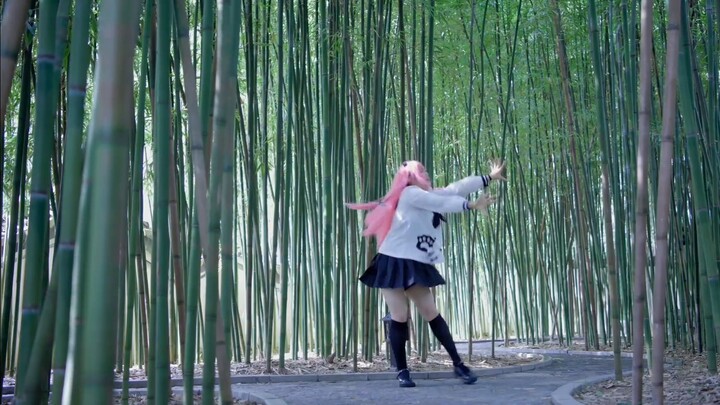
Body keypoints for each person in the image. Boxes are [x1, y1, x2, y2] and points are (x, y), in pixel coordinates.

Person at [346, 159, 506, 388]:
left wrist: (488, 178)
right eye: (421, 171)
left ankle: (458, 364)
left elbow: (456, 188)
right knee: (399, 315)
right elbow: (441, 202)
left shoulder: (428, 194)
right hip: (392, 260)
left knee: (431, 312)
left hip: (415, 263)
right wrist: (470, 205)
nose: (427, 173)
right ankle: (402, 371)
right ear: (411, 178)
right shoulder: (410, 194)